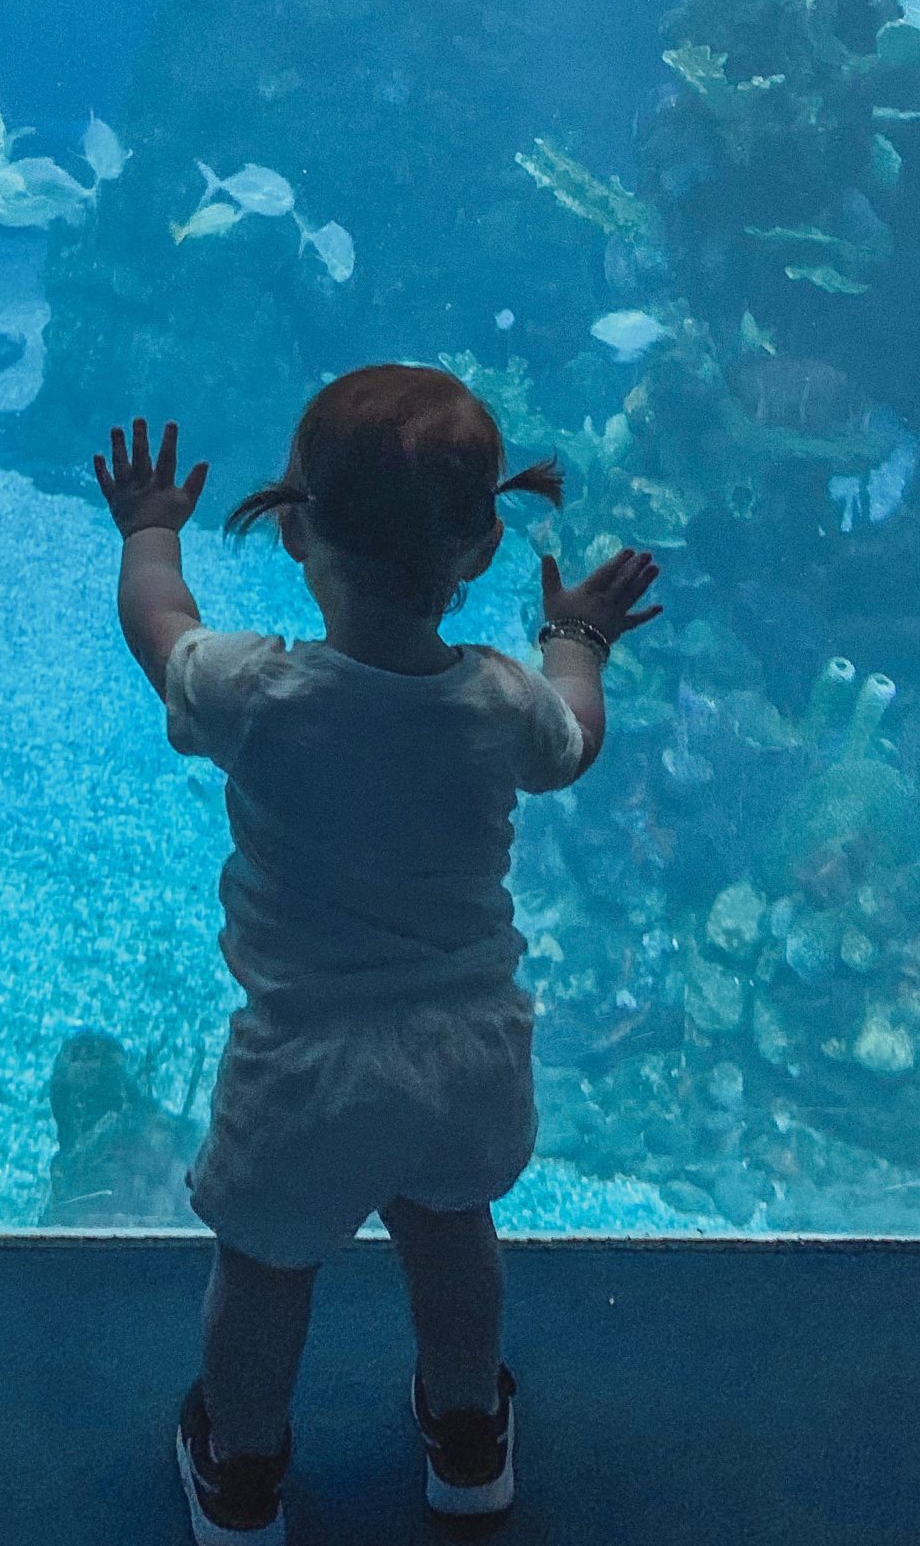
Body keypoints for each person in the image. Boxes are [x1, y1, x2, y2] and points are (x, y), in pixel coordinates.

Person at [94, 365, 661, 1543]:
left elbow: (157, 624)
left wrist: (151, 529)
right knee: (453, 1240)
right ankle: (468, 1443)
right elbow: (577, 738)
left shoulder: (254, 690)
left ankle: (242, 1473)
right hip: (468, 1057)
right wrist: (576, 638)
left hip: (302, 1066)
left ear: (295, 527)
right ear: (485, 543)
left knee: (264, 1271)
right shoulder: (501, 703)